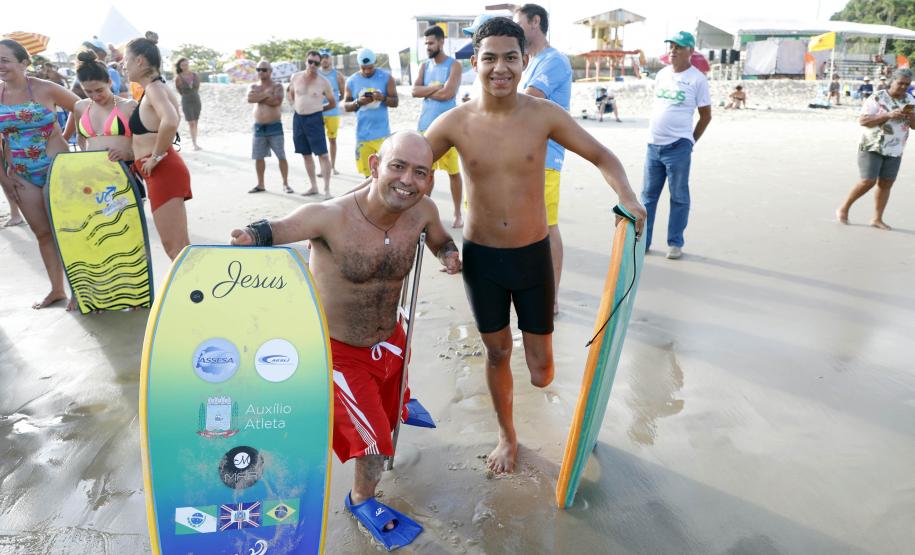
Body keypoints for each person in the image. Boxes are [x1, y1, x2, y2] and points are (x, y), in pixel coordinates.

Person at [424, 17, 646, 473]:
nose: (499, 68)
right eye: (489, 58)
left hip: (532, 257)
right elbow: (405, 173)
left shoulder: (543, 116)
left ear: (525, 61)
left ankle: (550, 396)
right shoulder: (454, 123)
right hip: (482, 259)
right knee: (498, 351)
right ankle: (507, 436)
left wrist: (627, 196)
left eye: (510, 58)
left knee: (541, 372)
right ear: (475, 62)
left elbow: (603, 156)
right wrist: (431, 238)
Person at [231, 131, 460, 551]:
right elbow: (279, 229)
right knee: (373, 440)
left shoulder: (423, 211)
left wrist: (447, 255)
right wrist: (251, 234)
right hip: (340, 353)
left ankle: (400, 402)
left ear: (430, 179)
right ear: (374, 166)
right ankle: (361, 499)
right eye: (398, 166)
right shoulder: (331, 216)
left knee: (392, 408)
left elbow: (441, 239)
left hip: (391, 339)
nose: (408, 180)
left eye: (420, 172)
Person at [0, 39, 80, 308]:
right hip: (21, 175)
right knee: (42, 233)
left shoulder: (46, 88)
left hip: (56, 168)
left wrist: (68, 137)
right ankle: (57, 289)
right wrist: (4, 179)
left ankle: (80, 291)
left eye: (5, 60)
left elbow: (83, 108)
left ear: (24, 63)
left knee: (67, 231)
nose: (0, 66)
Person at [514, 4, 572, 315]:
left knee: (548, 226)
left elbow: (530, 98)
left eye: (518, 22)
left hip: (546, 157)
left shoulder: (553, 60)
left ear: (536, 22)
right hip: (524, 156)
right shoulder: (531, 61)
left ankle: (551, 297)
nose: (515, 28)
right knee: (528, 226)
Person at [640, 31, 712, 260]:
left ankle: (675, 242)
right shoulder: (661, 74)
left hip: (678, 147)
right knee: (648, 197)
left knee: (679, 196)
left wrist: (690, 141)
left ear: (690, 51)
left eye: (678, 46)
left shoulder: (697, 79)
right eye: (671, 46)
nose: (673, 50)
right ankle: (644, 242)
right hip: (653, 146)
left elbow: (706, 116)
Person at [125, 31, 192, 260]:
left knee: (176, 249)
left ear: (140, 61)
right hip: (163, 169)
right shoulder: (158, 87)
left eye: (126, 61)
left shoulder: (154, 89)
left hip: (163, 170)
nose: (125, 67)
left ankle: (189, 294)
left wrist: (155, 156)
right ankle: (191, 293)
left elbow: (171, 120)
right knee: (180, 247)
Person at [837, 68, 915, 230]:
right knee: (868, 181)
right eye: (900, 83)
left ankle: (877, 218)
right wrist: (888, 115)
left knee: (886, 183)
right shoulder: (877, 97)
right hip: (872, 145)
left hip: (895, 148)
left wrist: (912, 118)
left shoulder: (910, 100)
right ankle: (844, 208)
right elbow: (863, 121)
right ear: (891, 81)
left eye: (906, 84)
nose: (903, 87)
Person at [413, 25, 464, 228]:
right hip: (425, 126)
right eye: (426, 43)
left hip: (449, 128)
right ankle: (425, 214)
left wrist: (428, 91)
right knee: (426, 173)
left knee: (453, 173)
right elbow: (414, 91)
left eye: (431, 42)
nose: (428, 46)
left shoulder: (454, 66)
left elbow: (448, 94)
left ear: (442, 42)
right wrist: (436, 88)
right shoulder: (424, 66)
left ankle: (458, 214)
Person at [287, 50, 336, 198]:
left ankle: (327, 189)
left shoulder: (323, 82)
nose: (313, 65)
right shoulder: (295, 77)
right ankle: (313, 186)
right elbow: (290, 94)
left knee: (322, 154)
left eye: (316, 63)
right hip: (298, 119)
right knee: (305, 154)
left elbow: (332, 103)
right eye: (310, 61)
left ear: (320, 64)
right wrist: (294, 105)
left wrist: (319, 110)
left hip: (315, 119)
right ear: (305, 61)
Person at [344, 48, 398, 178]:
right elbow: (346, 106)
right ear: (359, 65)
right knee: (368, 176)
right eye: (363, 68)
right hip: (363, 136)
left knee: (385, 174)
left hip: (382, 135)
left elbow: (395, 102)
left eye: (370, 68)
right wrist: (358, 102)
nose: (367, 71)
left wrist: (383, 98)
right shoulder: (351, 81)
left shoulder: (386, 78)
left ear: (375, 63)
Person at [247, 60, 291, 193]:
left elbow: (276, 101)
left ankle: (285, 183)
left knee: (281, 155)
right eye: (259, 69)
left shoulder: (277, 86)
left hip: (274, 126)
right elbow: (250, 99)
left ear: (270, 71)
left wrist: (260, 96)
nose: (261, 72)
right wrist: (266, 94)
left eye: (264, 69)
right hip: (259, 127)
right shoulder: (253, 86)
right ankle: (260, 184)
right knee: (258, 157)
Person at [318, 49, 345, 176]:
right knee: (320, 141)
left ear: (330, 59)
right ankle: (323, 168)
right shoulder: (316, 74)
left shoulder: (337, 75)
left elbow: (343, 94)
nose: (324, 60)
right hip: (318, 112)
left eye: (326, 57)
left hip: (333, 112)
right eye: (322, 57)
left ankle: (332, 167)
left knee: (332, 140)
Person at [174, 58, 202, 150]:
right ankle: (194, 144)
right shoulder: (178, 77)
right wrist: (186, 95)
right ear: (180, 66)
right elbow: (178, 89)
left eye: (186, 64)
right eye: (183, 65)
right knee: (191, 123)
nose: (185, 67)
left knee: (196, 121)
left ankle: (196, 142)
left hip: (196, 99)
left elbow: (197, 87)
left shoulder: (195, 75)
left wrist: (192, 94)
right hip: (186, 100)